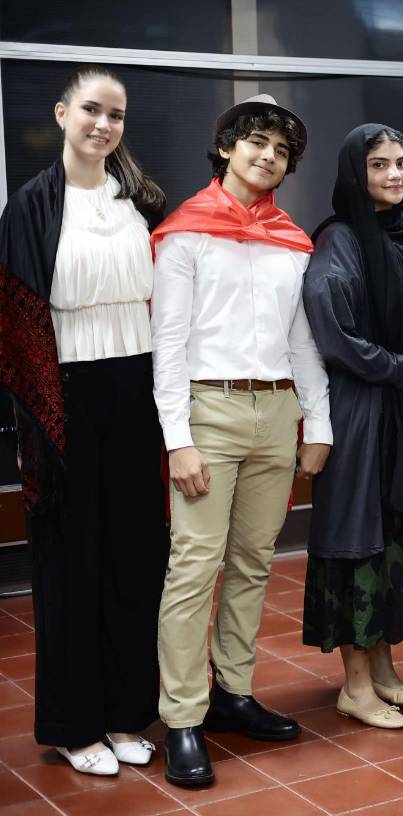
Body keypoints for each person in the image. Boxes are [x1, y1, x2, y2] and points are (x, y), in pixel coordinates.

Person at [151, 94, 331, 787]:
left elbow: (301, 339)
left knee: (254, 563)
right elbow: (166, 347)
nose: (268, 157)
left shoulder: (292, 240)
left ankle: (233, 693)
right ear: (227, 148)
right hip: (208, 413)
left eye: (281, 150)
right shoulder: (184, 234)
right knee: (194, 567)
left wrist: (317, 423)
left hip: (275, 415)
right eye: (256, 143)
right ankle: (184, 718)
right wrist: (177, 440)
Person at [0, 65, 168, 776]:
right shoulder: (31, 208)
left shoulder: (144, 204)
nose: (104, 124)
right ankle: (76, 725)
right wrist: (42, 426)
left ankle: (130, 712)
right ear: (64, 114)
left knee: (136, 559)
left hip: (137, 391)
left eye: (117, 114)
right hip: (64, 400)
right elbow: (14, 326)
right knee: (72, 564)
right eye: (92, 110)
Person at [301, 123, 403, 729]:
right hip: (362, 413)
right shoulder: (339, 239)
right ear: (355, 174)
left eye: (402, 161)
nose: (395, 174)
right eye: (379, 165)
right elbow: (338, 341)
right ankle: (354, 686)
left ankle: (384, 672)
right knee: (358, 542)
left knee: (392, 536)